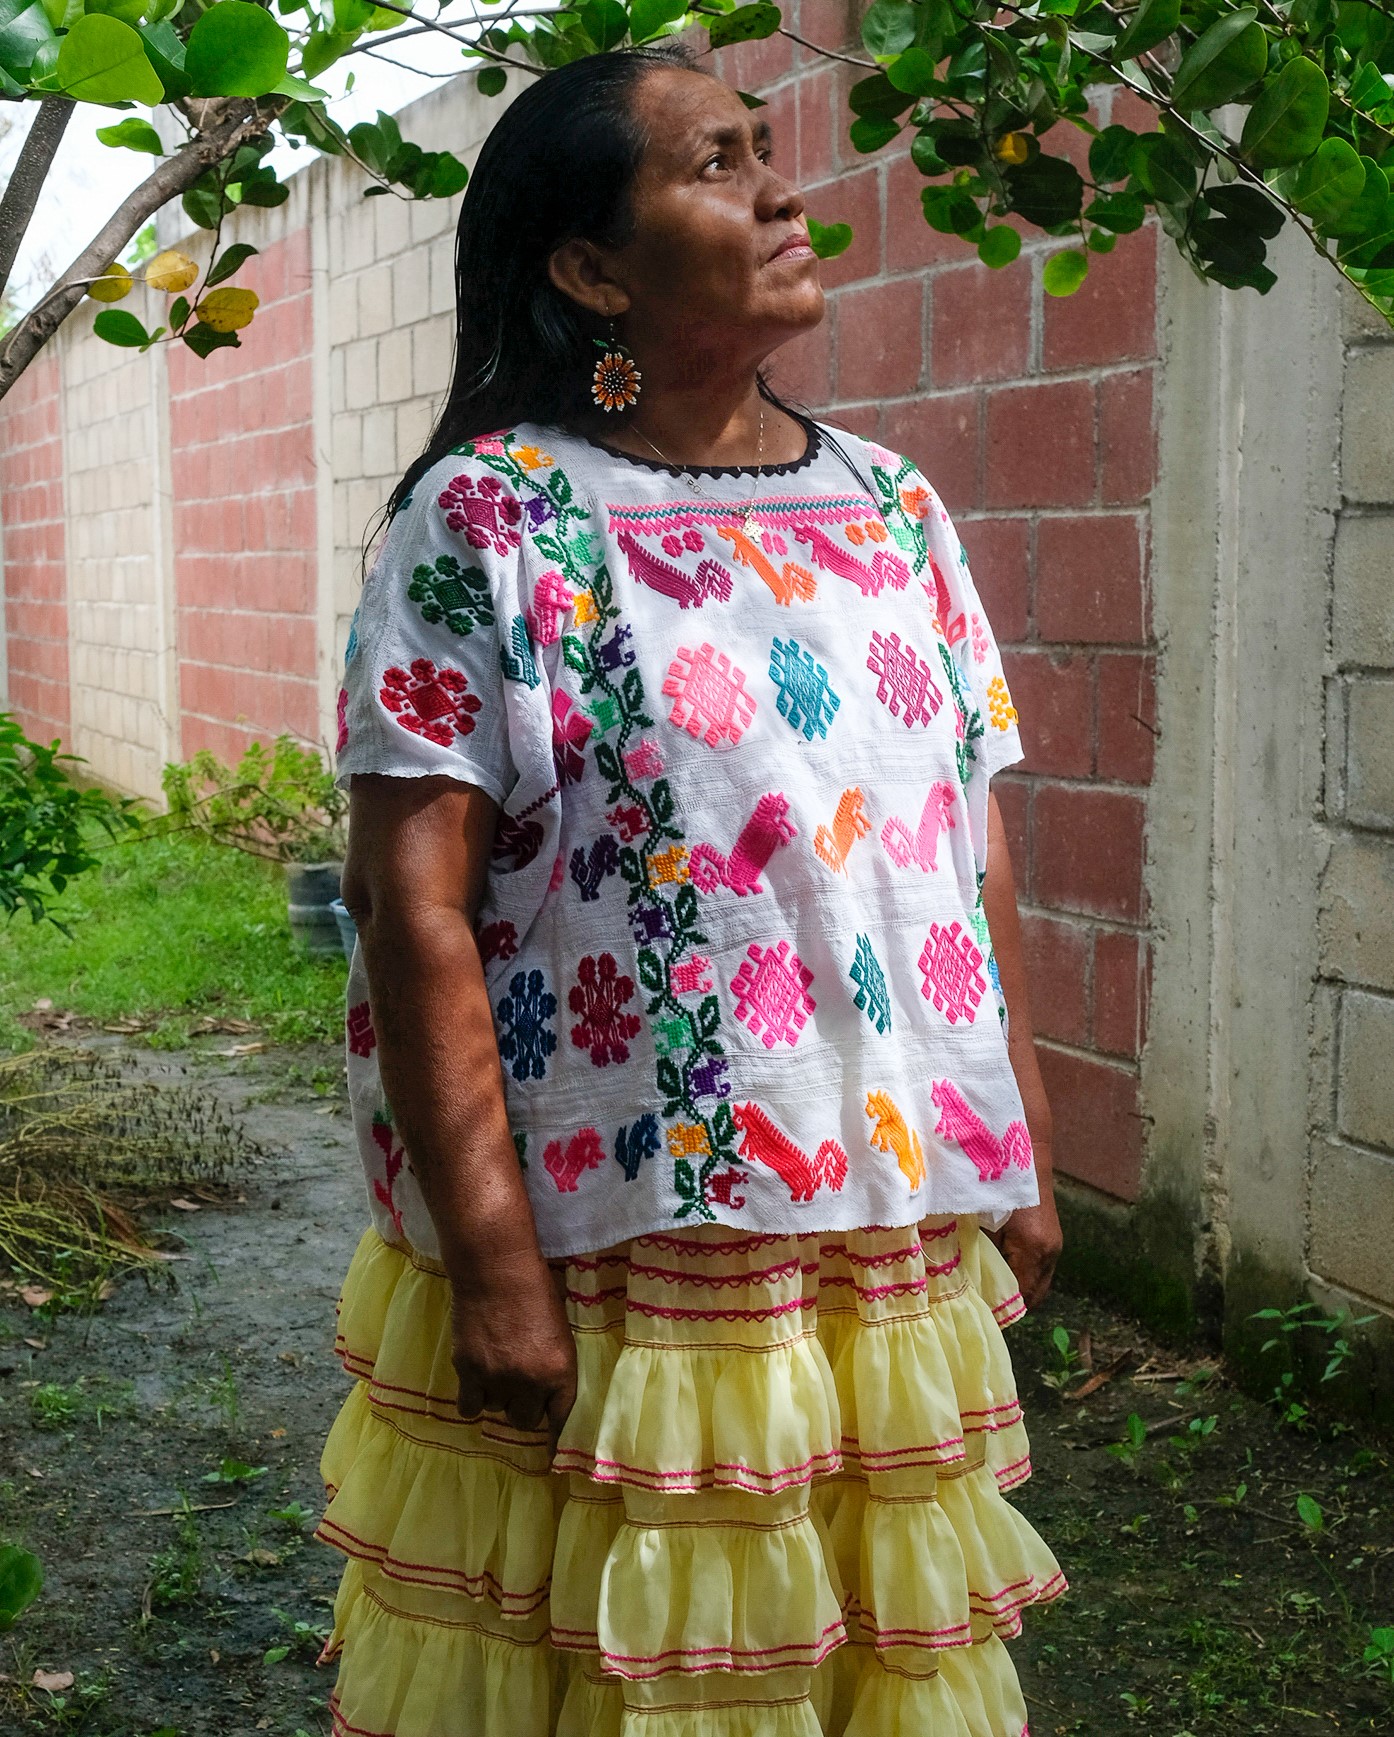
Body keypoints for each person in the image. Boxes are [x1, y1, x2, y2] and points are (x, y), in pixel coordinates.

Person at [323, 38, 1064, 1737]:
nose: (784, 193)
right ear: (592, 272)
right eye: (716, 164)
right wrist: (492, 1262)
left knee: (848, 1656)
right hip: (624, 1244)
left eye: (764, 148)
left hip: (875, 1224)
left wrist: (1015, 1136)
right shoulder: (492, 521)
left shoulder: (891, 508)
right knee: (624, 1664)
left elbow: (971, 844)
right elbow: (410, 905)